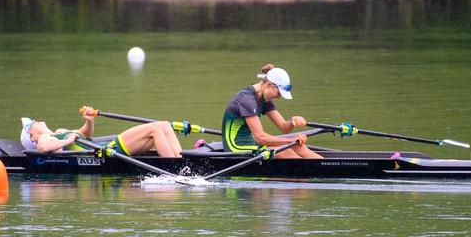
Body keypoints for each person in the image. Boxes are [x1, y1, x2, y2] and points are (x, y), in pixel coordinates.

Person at [221, 64, 323, 159]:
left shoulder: (264, 98)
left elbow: (284, 128)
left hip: (251, 143)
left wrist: (292, 121)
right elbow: (261, 137)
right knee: (287, 152)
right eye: (279, 93)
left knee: (298, 146)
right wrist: (291, 140)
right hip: (235, 147)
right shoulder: (247, 100)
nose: (279, 97)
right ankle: (308, 174)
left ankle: (324, 164)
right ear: (269, 85)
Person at [20, 106, 183, 157]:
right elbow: (43, 150)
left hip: (107, 147)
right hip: (108, 151)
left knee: (164, 125)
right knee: (155, 128)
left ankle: (182, 161)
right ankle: (175, 168)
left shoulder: (60, 131)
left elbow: (86, 134)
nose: (34, 121)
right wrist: (68, 141)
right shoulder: (43, 139)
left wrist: (88, 121)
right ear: (32, 136)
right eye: (31, 124)